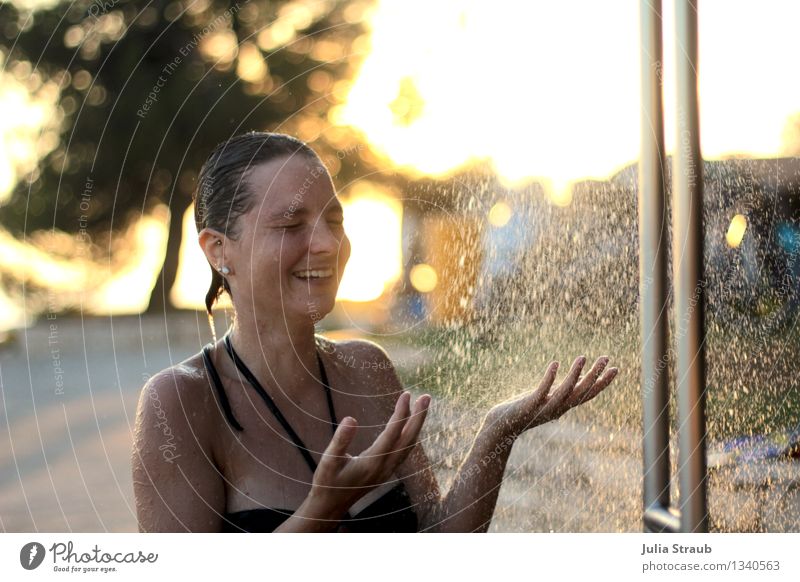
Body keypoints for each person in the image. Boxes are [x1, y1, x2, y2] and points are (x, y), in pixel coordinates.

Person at [131, 132, 618, 533]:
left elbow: (439, 546)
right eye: (291, 224)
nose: (325, 244)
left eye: (334, 220)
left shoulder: (367, 369)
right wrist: (323, 508)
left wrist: (498, 431)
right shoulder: (180, 405)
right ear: (219, 250)